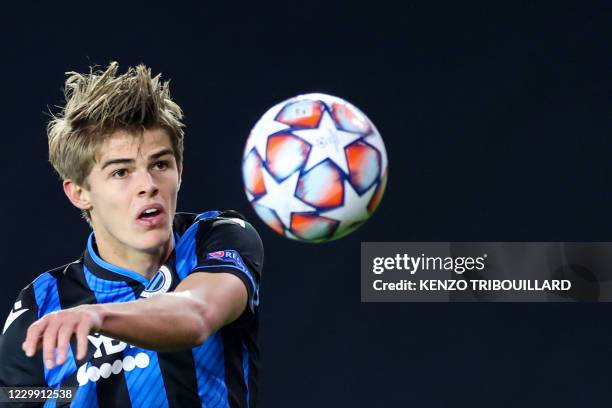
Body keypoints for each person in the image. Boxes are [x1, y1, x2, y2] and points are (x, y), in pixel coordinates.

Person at [0, 62, 263, 407]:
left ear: (180, 171)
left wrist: (96, 317)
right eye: (121, 172)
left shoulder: (217, 237)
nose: (148, 186)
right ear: (80, 192)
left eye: (160, 165)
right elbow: (20, 397)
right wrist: (65, 395)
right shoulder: (41, 304)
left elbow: (197, 315)